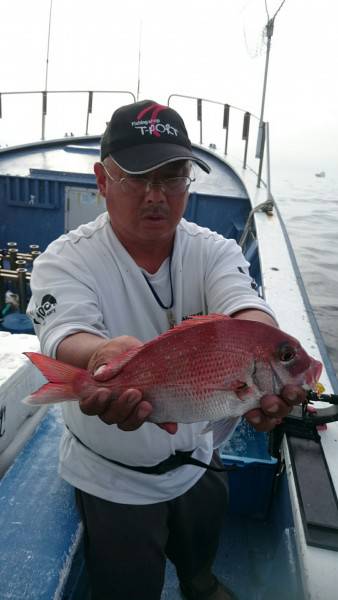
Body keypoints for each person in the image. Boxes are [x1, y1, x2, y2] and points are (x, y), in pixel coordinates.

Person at [27, 99, 305, 600]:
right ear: (102, 180)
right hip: (114, 479)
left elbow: (245, 305)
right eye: (137, 177)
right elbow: (64, 331)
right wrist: (100, 357)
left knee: (201, 553)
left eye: (173, 176)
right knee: (129, 584)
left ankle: (200, 583)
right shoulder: (65, 260)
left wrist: (270, 351)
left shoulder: (213, 249)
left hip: (199, 458)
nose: (156, 195)